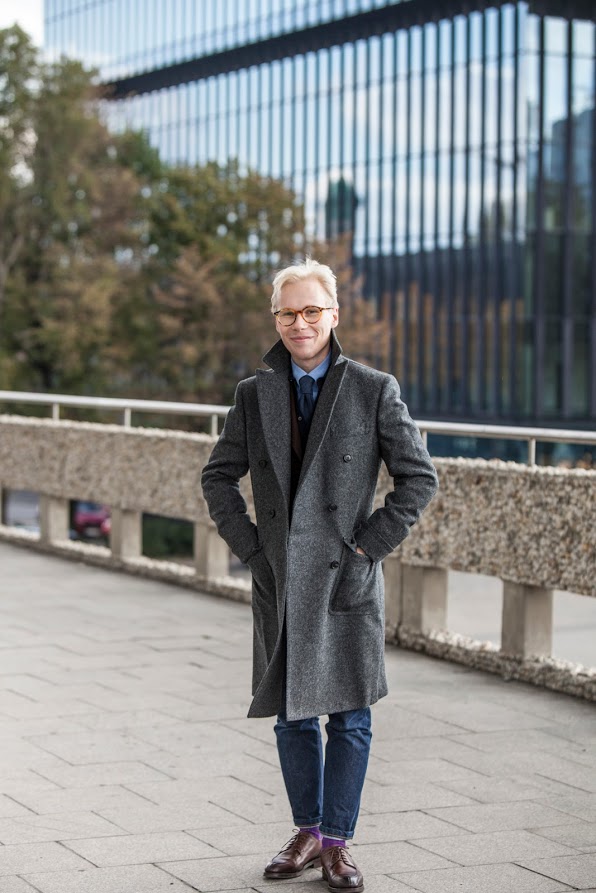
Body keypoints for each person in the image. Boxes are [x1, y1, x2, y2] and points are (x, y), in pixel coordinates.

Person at [201, 258, 438, 892]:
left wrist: (369, 548)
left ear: (333, 315)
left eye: (311, 311)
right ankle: (306, 832)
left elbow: (419, 478)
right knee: (292, 716)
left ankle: (337, 843)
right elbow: (218, 476)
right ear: (276, 319)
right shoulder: (253, 393)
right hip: (281, 578)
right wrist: (252, 549)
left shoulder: (373, 388)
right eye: (287, 313)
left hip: (344, 579)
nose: (299, 323)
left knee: (350, 718)